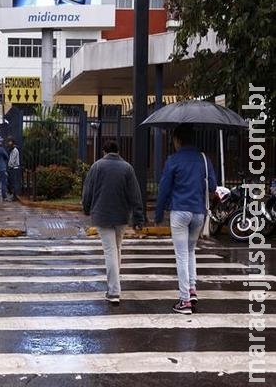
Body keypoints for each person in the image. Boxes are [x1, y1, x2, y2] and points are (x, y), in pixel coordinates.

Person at [154, 124, 217, 315]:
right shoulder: (204, 159)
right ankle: (192, 288)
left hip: (180, 212)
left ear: (178, 140)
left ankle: (184, 301)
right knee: (190, 251)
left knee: (181, 255)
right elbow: (213, 186)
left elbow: (164, 189)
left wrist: (158, 215)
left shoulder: (173, 160)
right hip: (199, 212)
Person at [82, 140, 144, 304]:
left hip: (102, 215)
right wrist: (138, 218)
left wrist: (86, 208)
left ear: (104, 151)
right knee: (117, 248)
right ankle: (115, 286)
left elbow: (87, 191)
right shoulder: (127, 168)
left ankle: (114, 291)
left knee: (110, 251)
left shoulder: (96, 166)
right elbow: (135, 195)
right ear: (118, 152)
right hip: (122, 215)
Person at [6, 136, 21, 201]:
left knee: (15, 183)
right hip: (12, 168)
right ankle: (13, 196)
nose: (9, 143)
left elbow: (12, 160)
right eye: (8, 141)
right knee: (12, 183)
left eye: (10, 141)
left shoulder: (15, 150)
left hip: (14, 168)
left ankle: (15, 196)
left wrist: (9, 165)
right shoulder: (12, 150)